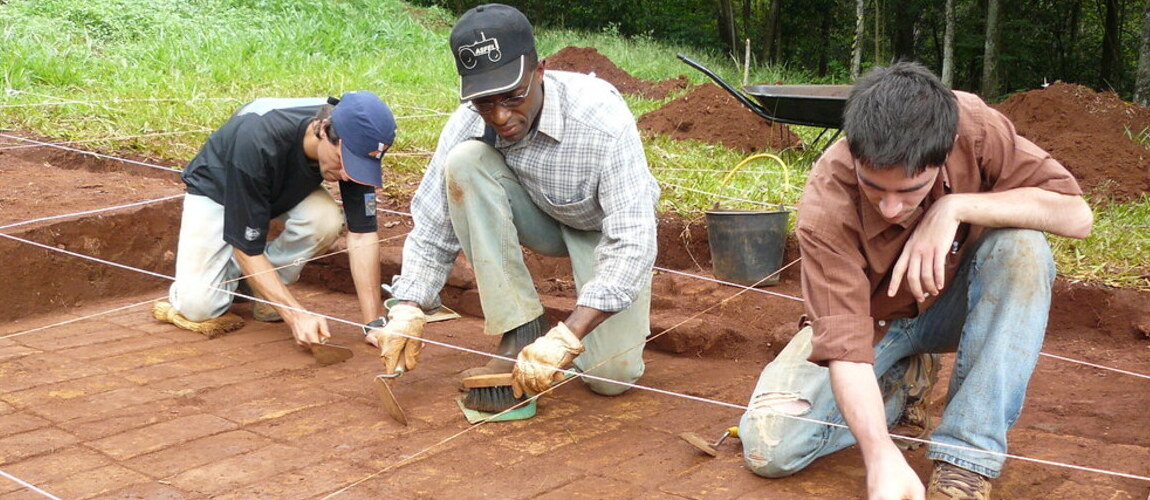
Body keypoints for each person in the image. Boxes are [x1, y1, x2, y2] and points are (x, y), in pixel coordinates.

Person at [738, 62, 1092, 500]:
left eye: (909, 190)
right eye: (874, 187)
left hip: (955, 304)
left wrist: (954, 208)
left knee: (1023, 248)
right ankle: (900, 389)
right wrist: (880, 455)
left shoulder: (974, 128)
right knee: (772, 447)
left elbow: (1076, 215)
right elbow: (846, 350)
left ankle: (965, 460)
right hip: (868, 325)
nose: (891, 208)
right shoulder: (826, 205)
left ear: (944, 155)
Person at [366, 3, 659, 398]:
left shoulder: (601, 119)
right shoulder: (470, 121)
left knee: (611, 378)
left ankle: (584, 348)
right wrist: (408, 305)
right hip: (539, 216)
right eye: (485, 102)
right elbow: (434, 223)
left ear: (540, 72)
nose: (500, 116)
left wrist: (569, 335)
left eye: (513, 96)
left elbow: (632, 240)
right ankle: (520, 328)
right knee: (465, 161)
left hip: (601, 229)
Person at [154, 92, 397, 348]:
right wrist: (296, 316)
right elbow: (247, 249)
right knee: (198, 307)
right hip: (218, 189)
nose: (348, 175)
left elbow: (362, 235)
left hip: (281, 186)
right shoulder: (257, 138)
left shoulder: (354, 139)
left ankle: (261, 289)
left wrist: (374, 324)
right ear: (324, 130)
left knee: (323, 220)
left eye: (358, 166)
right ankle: (233, 278)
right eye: (343, 162)